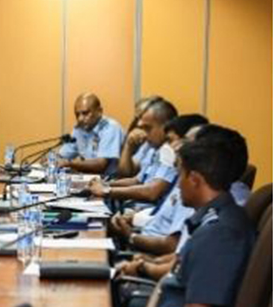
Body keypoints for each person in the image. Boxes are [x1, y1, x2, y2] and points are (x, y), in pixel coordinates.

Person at [115, 126, 255, 307]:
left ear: (195, 179)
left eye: (180, 175)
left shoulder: (219, 235)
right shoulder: (211, 221)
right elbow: (170, 277)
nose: (177, 185)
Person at [108, 114, 208, 255]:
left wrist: (131, 235)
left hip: (147, 249)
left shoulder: (193, 187)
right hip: (145, 236)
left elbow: (172, 246)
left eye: (173, 141)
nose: (175, 147)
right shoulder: (175, 169)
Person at [89, 98, 178, 209]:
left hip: (148, 213)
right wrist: (105, 185)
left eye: (148, 128)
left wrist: (107, 190)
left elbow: (152, 192)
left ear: (167, 126)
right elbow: (137, 180)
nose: (144, 134)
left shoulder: (170, 152)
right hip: (136, 208)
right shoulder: (154, 148)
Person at [57, 93, 125, 175]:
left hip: (111, 181)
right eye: (77, 114)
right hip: (87, 178)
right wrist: (53, 159)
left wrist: (70, 163)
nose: (80, 118)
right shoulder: (79, 129)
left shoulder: (111, 128)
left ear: (99, 111)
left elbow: (100, 165)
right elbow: (64, 154)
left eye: (85, 113)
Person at [115, 95, 162, 178]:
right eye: (137, 118)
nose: (139, 122)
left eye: (142, 117)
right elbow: (125, 173)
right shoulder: (146, 144)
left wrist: (108, 188)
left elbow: (151, 188)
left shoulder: (166, 148)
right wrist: (128, 146)